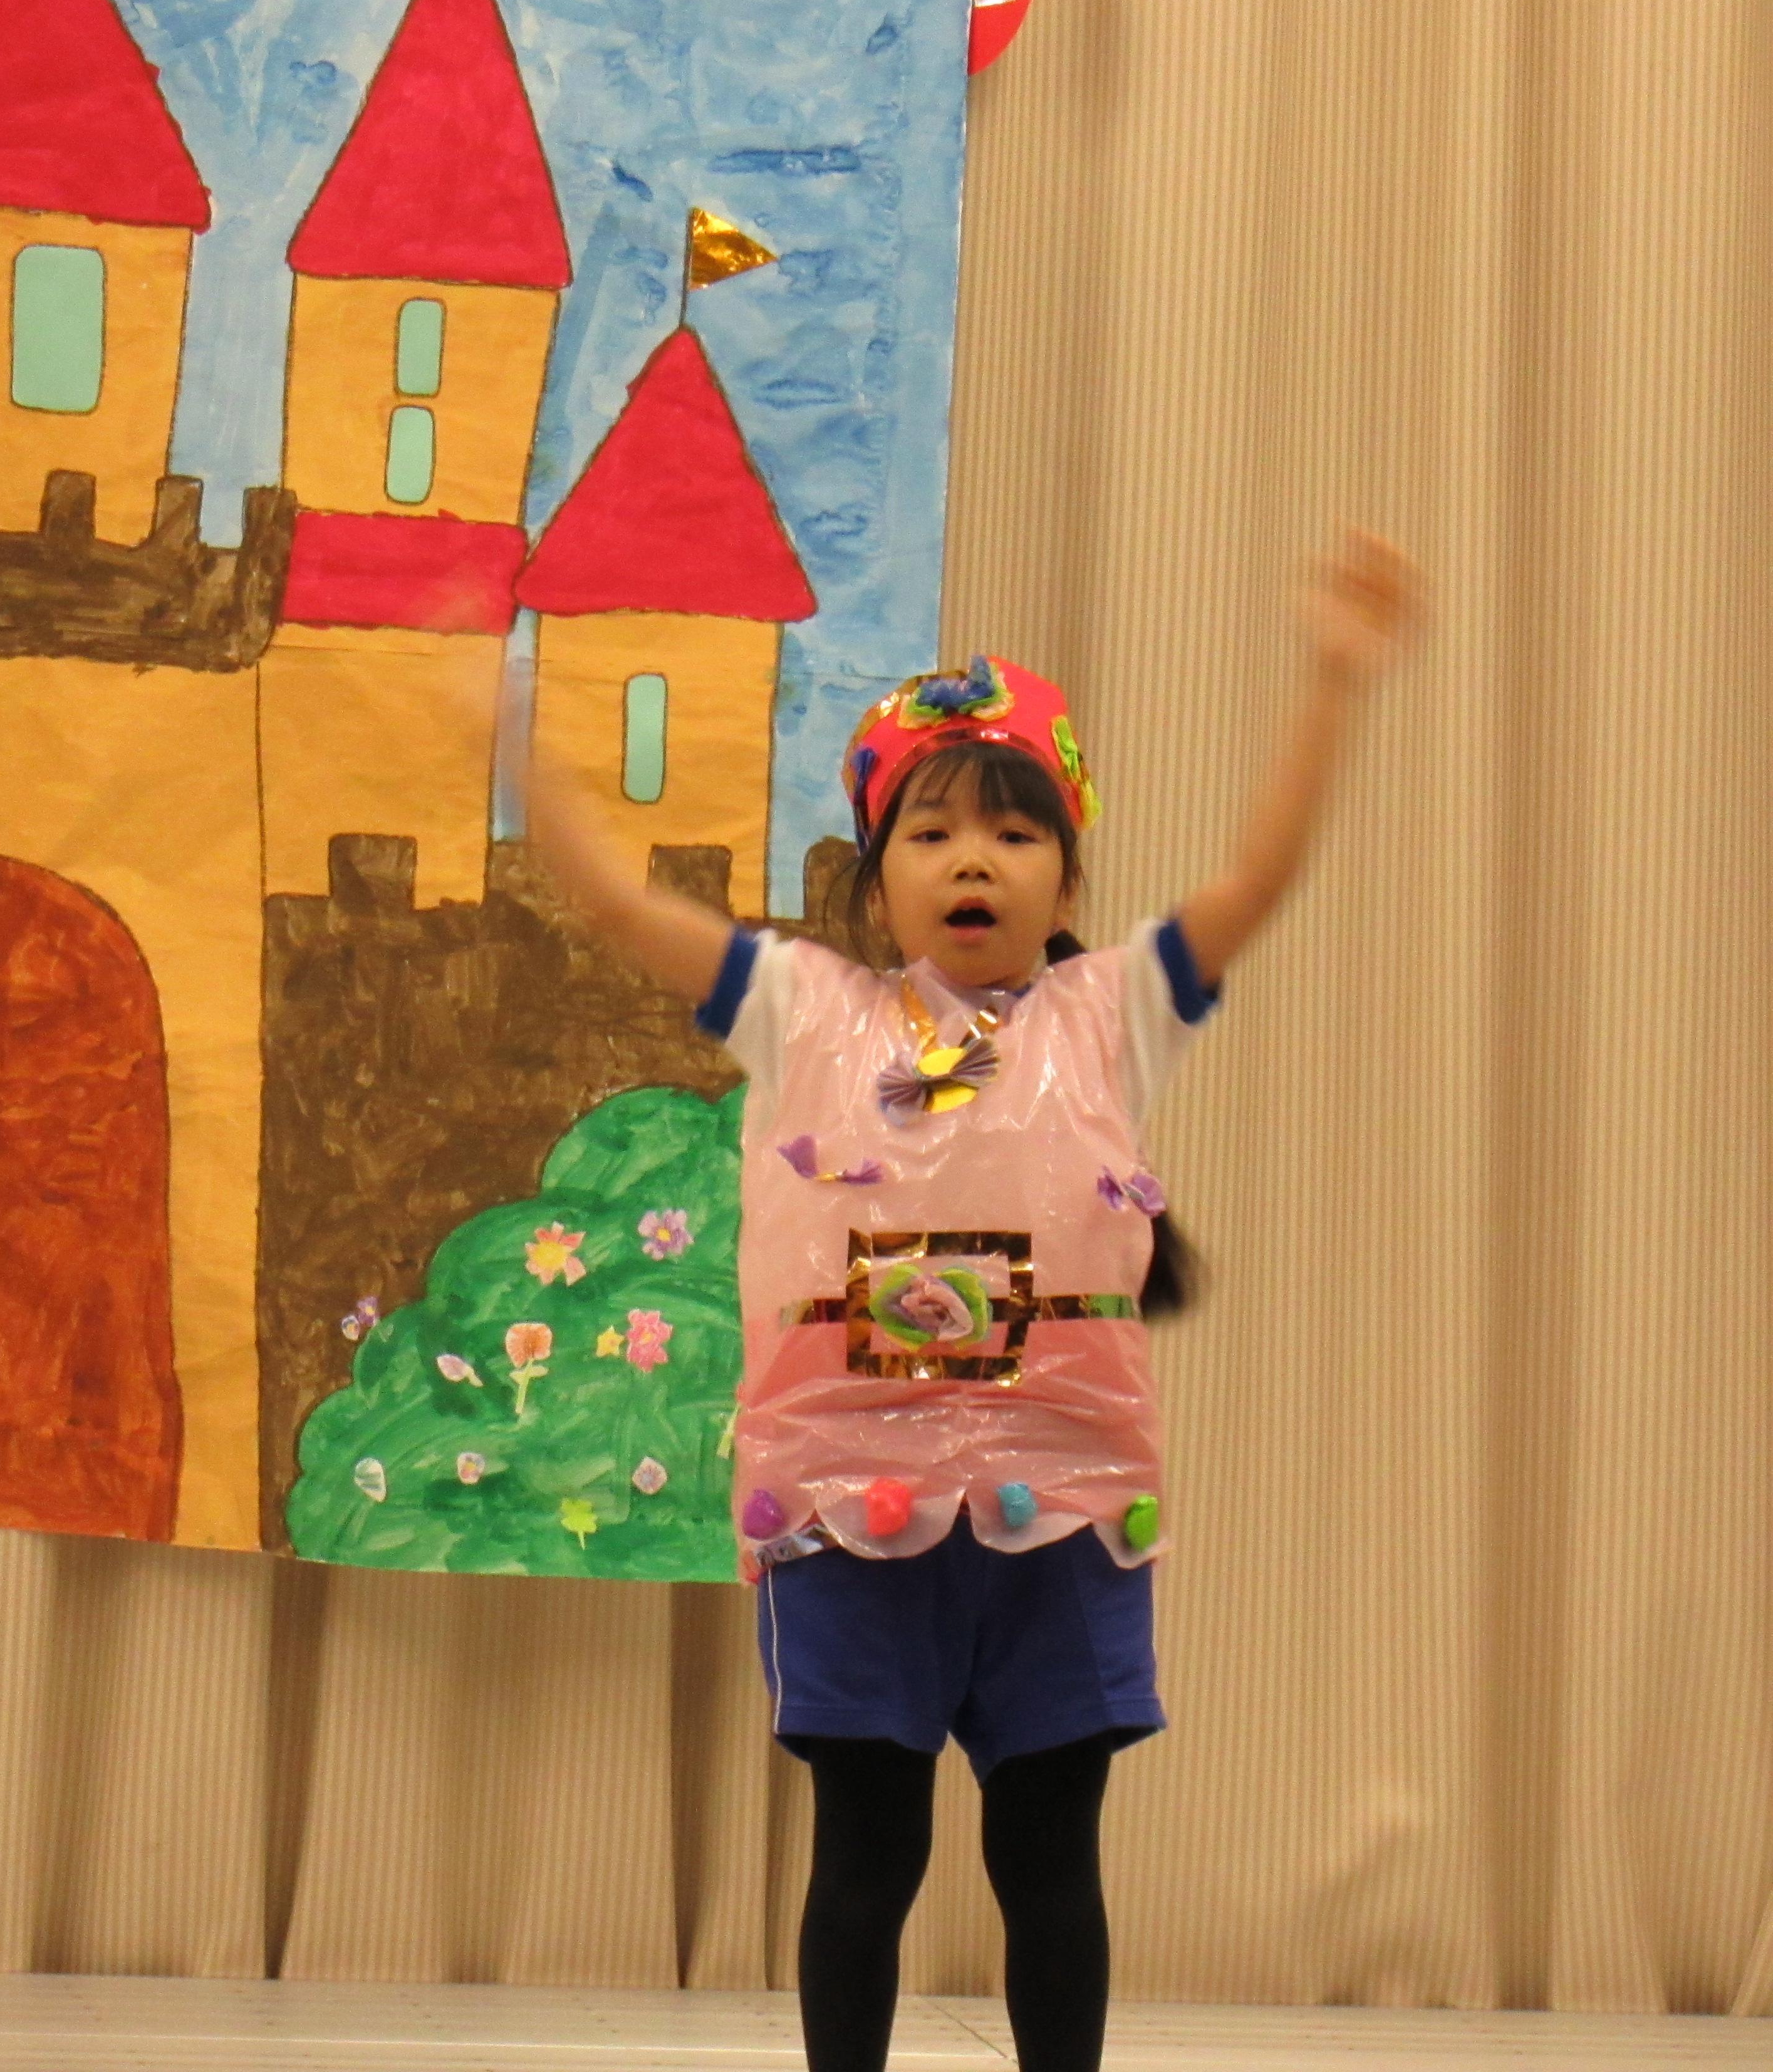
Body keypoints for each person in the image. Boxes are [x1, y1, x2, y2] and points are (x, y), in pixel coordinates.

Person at [520, 533, 1423, 2071]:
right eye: (931, 833)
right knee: (866, 1856)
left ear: (1068, 878)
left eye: (1014, 832)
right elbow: (614, 905)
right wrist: (519, 735)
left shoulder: (1113, 1016)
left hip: (1059, 1512)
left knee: (1048, 1858)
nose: (974, 861)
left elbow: (1256, 883)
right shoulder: (802, 1013)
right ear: (877, 884)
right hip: (848, 1510)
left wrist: (1334, 685)